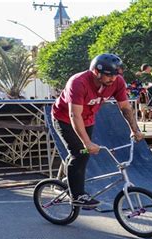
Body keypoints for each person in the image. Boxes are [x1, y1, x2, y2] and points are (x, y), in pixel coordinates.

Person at [52, 53, 144, 207]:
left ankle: (69, 179)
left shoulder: (117, 82)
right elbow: (74, 115)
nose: (113, 79)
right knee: (79, 153)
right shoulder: (78, 82)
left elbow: (126, 108)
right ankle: (77, 195)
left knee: (83, 155)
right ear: (96, 72)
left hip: (88, 119)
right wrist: (87, 143)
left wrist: (135, 130)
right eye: (109, 76)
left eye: (115, 75)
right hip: (65, 119)